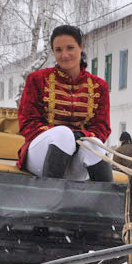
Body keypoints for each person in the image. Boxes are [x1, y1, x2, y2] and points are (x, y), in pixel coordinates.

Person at [17, 24, 112, 181]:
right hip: (39, 155)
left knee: (94, 143)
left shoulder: (99, 86)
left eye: (70, 48)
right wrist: (67, 135)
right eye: (58, 50)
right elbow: (27, 123)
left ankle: (107, 201)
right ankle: (50, 198)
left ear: (80, 47)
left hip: (77, 161)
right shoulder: (37, 79)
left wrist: (81, 136)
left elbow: (102, 127)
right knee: (63, 134)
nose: (65, 55)